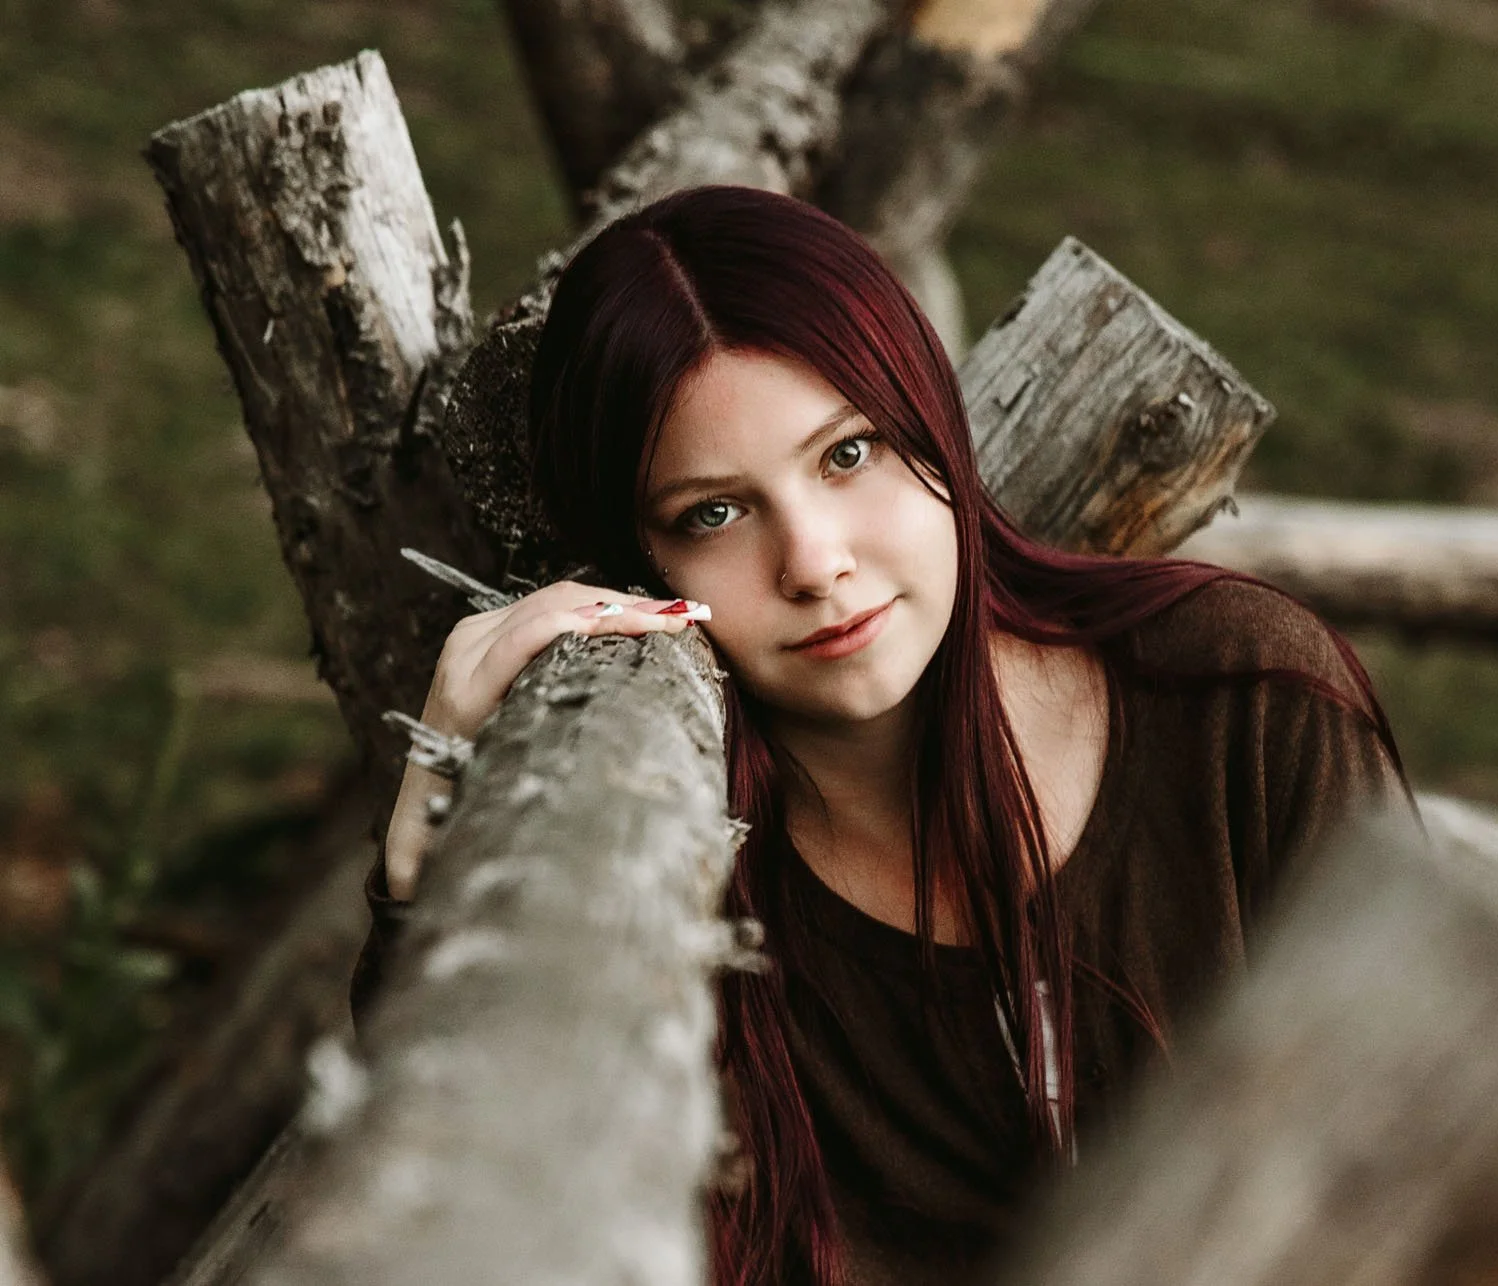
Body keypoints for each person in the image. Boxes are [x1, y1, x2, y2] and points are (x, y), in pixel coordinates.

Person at [351, 184, 1416, 1286]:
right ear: (638, 565)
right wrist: (426, 847)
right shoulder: (663, 879)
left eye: (847, 454)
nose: (813, 560)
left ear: (931, 428)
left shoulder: (1242, 702)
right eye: (714, 513)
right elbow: (469, 1204)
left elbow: (1435, 1152)